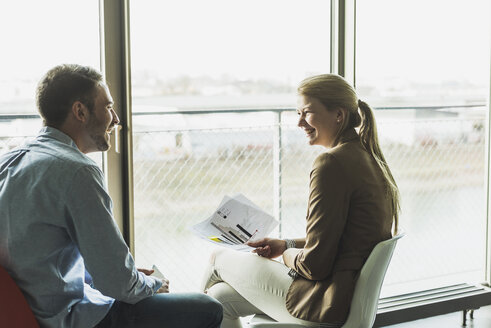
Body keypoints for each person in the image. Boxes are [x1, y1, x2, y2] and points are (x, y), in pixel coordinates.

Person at [0, 64, 223, 328]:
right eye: (108, 107)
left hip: (21, 312)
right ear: (80, 111)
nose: (116, 119)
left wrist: (117, 276)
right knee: (208, 308)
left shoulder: (10, 161)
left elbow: (38, 256)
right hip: (67, 318)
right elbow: (118, 285)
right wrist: (151, 284)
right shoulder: (77, 171)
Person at [201, 74, 400, 327]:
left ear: (338, 115)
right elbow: (342, 238)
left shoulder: (331, 163)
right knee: (219, 299)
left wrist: (285, 254)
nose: (299, 123)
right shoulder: (368, 157)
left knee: (218, 257)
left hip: (325, 301)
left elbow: (315, 264)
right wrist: (285, 243)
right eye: (298, 113)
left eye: (306, 113)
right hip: (345, 298)